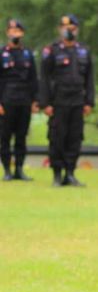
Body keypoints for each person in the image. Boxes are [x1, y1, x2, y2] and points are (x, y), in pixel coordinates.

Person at [38, 14, 94, 187]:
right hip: (58, 102)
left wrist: (89, 102)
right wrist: (45, 103)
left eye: (71, 28)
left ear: (76, 29)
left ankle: (70, 173)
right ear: (59, 30)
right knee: (57, 137)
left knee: (74, 138)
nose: (68, 31)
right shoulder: (51, 51)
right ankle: (57, 174)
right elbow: (44, 78)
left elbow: (89, 79)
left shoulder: (84, 51)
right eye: (64, 27)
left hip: (77, 101)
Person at [0, 19, 38, 181]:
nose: (14, 33)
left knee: (21, 137)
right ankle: (7, 170)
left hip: (24, 101)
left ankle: (20, 170)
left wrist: (35, 100)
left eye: (17, 31)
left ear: (22, 33)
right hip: (6, 100)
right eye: (11, 30)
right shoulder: (2, 54)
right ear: (7, 33)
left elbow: (33, 79)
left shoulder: (28, 54)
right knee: (5, 137)